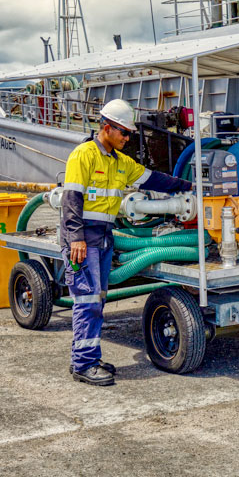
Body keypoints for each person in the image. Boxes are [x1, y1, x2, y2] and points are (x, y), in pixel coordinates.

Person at [60, 98, 192, 386]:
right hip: (83, 238)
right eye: (124, 132)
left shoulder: (122, 163)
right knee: (87, 300)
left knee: (98, 299)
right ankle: (84, 365)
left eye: (129, 133)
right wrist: (75, 239)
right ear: (106, 128)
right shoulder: (83, 155)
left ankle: (86, 357)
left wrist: (191, 187)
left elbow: (154, 180)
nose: (128, 137)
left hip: (104, 237)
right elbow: (71, 200)